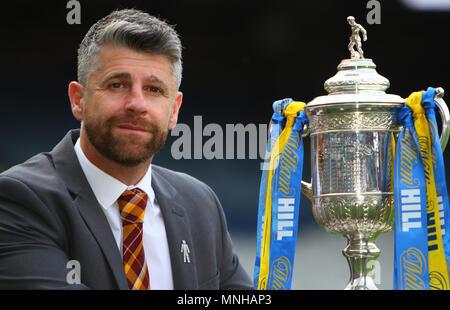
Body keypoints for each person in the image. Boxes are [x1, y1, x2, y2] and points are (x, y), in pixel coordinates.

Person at [0, 8, 252, 290]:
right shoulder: (19, 199)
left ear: (174, 111)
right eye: (117, 84)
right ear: (78, 99)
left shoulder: (200, 204)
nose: (137, 104)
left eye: (154, 89)